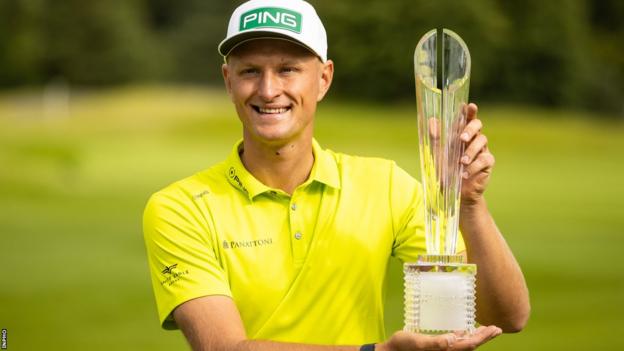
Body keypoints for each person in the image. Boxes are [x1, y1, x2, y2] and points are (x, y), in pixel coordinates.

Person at [142, 0, 530, 350]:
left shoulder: (386, 186)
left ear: (323, 79)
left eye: (288, 69)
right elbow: (223, 348)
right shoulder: (180, 208)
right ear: (228, 81)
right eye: (250, 71)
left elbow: (507, 316)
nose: (268, 89)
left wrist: (469, 206)